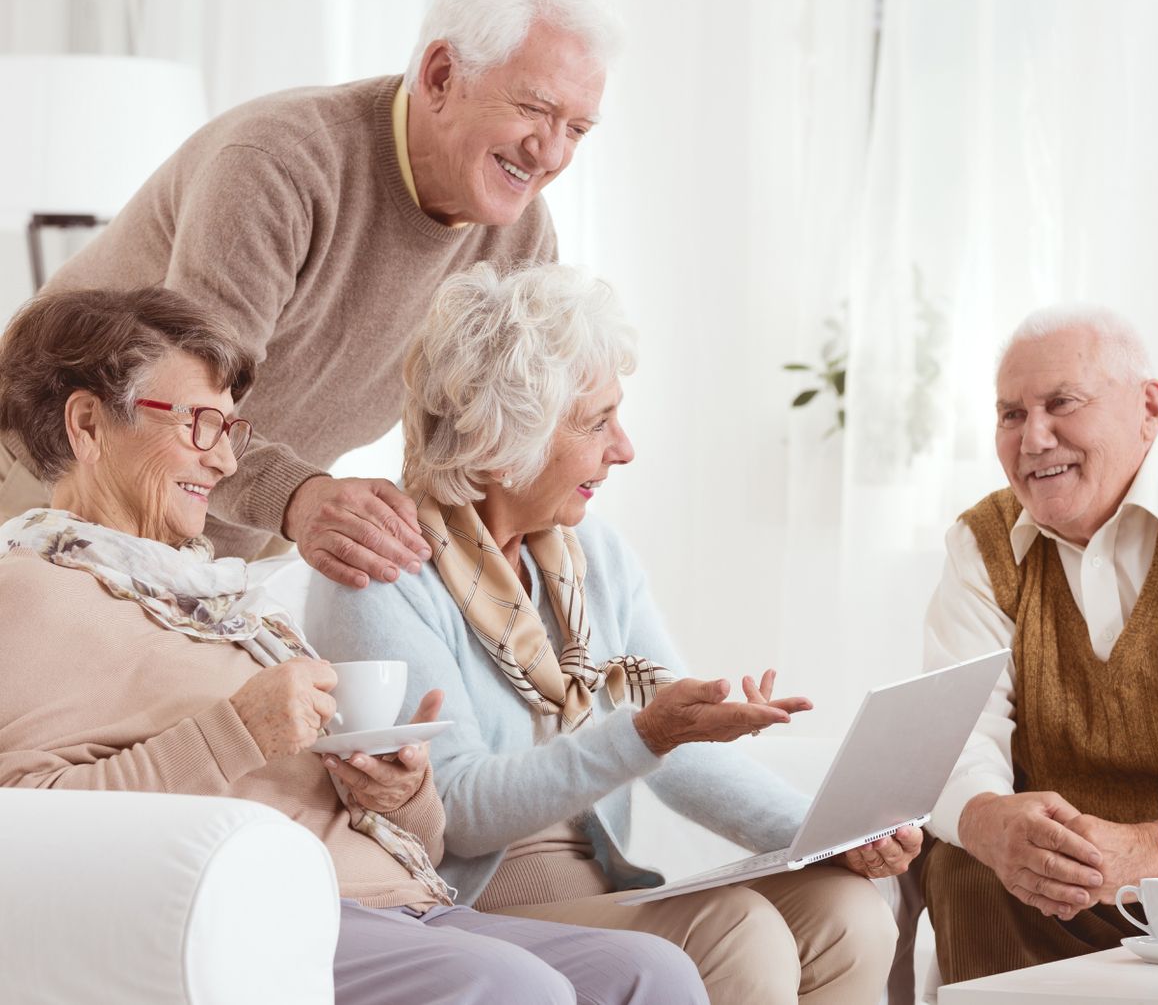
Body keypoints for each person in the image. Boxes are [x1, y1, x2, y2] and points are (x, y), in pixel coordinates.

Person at [0, 286, 709, 1005]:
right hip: (272, 915)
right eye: (198, 424)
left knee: (653, 973)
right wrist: (237, 731)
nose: (224, 464)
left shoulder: (221, 602)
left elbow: (423, 844)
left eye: (230, 429)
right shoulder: (31, 591)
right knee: (513, 987)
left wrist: (402, 793)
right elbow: (27, 830)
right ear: (88, 425)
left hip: (403, 900)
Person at [306, 262, 921, 1004]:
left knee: (849, 910)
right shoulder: (386, 571)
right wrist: (645, 734)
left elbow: (676, 748)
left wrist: (832, 834)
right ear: (504, 441)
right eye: (597, 422)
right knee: (741, 931)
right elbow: (459, 809)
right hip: (469, 909)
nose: (623, 448)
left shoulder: (591, 556)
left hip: (597, 888)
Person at [0, 0, 616, 590]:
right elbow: (184, 416)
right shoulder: (278, 166)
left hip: (228, 521)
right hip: (56, 475)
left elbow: (499, 434)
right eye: (533, 109)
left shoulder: (520, 239)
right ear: (440, 76)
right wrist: (301, 497)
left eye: (576, 129)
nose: (552, 152)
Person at [920, 306, 1158, 983]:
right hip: (1054, 895)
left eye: (1061, 403)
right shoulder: (980, 544)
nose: (1034, 437)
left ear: (1148, 407)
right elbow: (954, 737)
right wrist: (988, 821)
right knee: (965, 857)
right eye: (1011, 414)